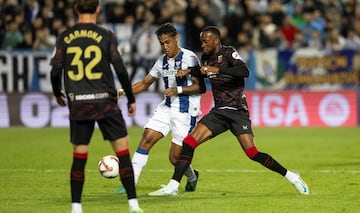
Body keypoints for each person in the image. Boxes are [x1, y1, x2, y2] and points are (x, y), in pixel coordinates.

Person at [148, 26, 310, 196]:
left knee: (252, 152)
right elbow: (204, 72)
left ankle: (291, 176)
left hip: (237, 111)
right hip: (218, 113)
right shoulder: (206, 57)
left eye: (205, 41)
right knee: (189, 142)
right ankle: (173, 186)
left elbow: (243, 71)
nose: (202, 45)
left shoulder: (229, 53)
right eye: (201, 41)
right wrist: (189, 71)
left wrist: (217, 70)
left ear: (216, 40)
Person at [49, 1, 143, 212]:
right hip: (105, 101)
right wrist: (130, 98)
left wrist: (57, 93)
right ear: (98, 9)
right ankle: (133, 205)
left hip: (79, 103)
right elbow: (120, 68)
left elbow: (55, 71)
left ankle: (76, 207)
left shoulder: (65, 37)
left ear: (76, 10)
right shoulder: (106, 35)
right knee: (123, 153)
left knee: (79, 156)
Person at [116, 23, 205, 195]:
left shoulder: (190, 58)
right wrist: (121, 93)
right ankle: (130, 184)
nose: (165, 47)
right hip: (167, 106)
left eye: (168, 42)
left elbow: (200, 87)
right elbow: (144, 83)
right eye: (162, 43)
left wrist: (177, 90)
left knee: (174, 158)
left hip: (186, 111)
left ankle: (192, 177)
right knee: (147, 137)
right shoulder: (161, 61)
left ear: (176, 39)